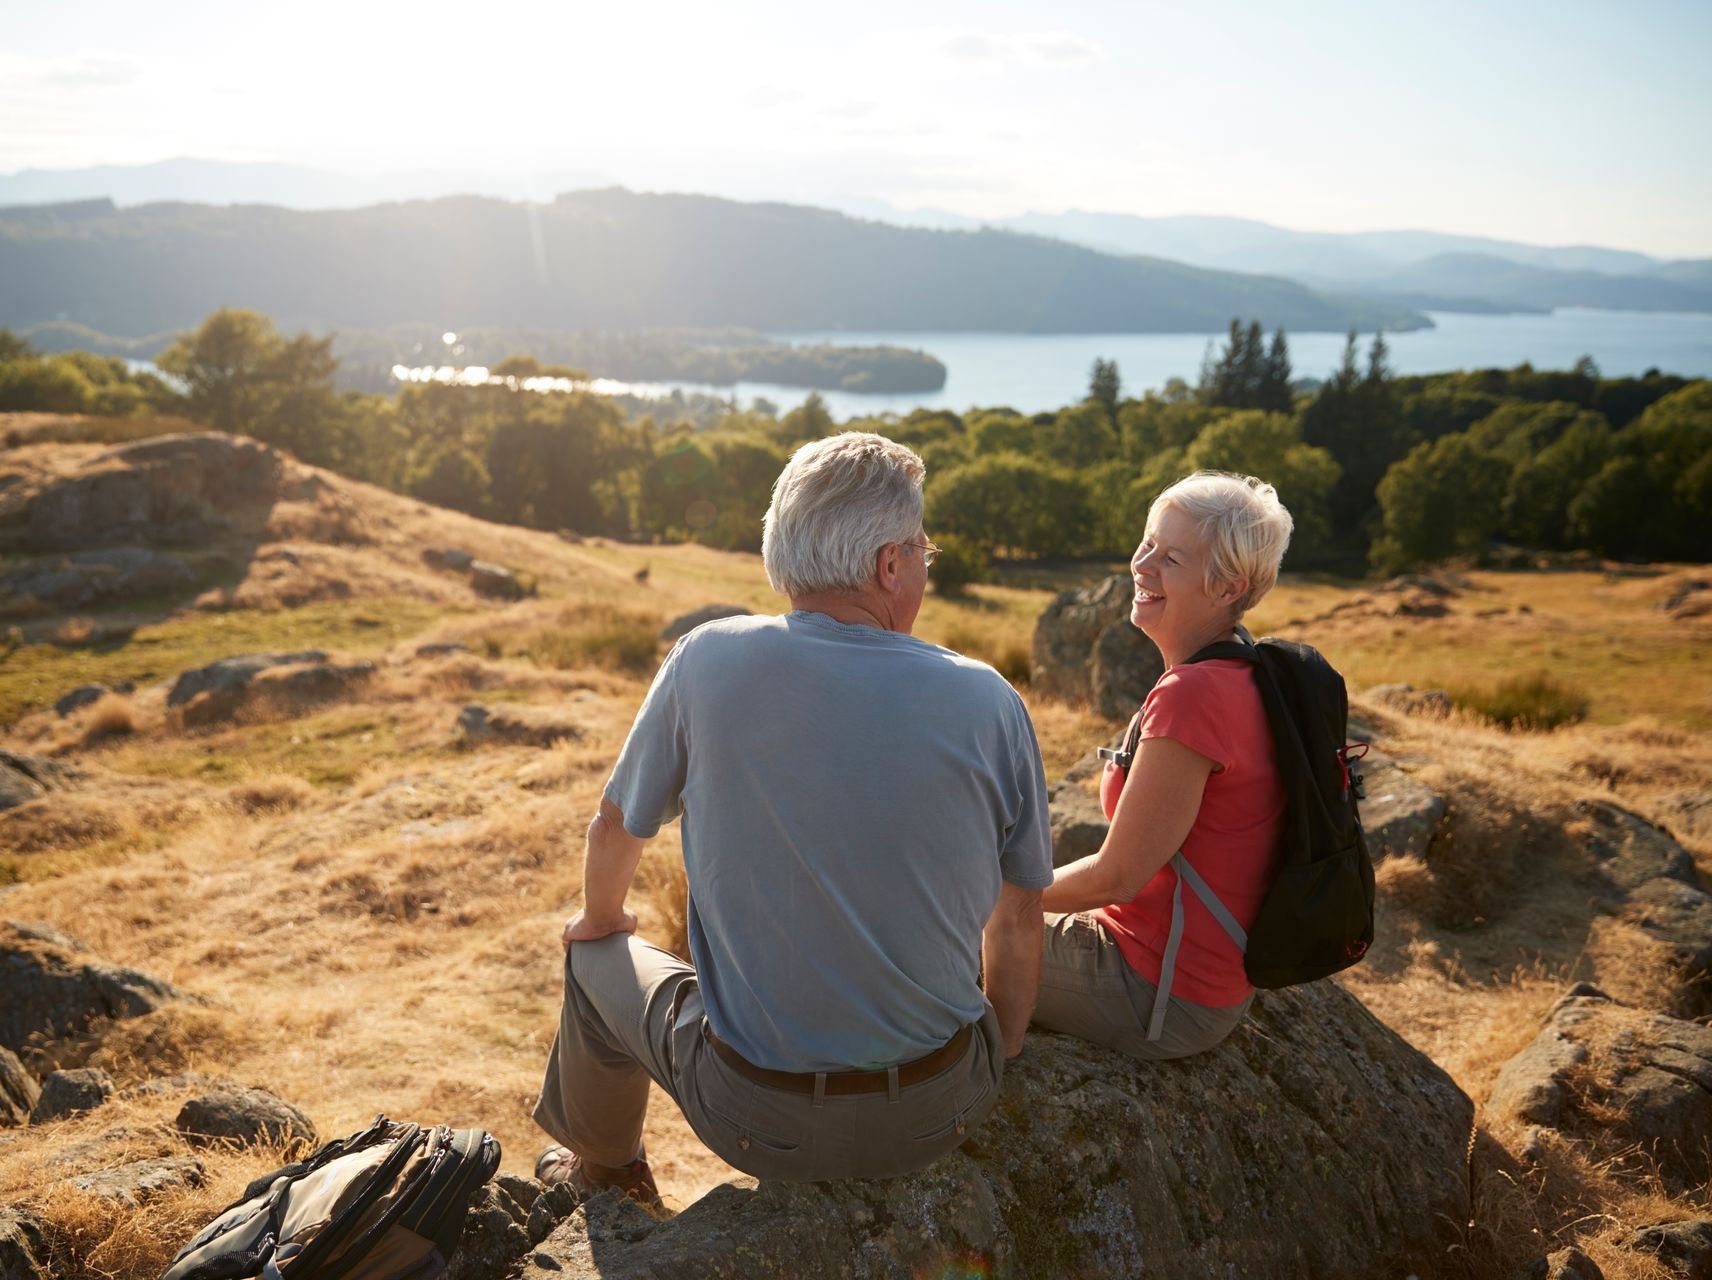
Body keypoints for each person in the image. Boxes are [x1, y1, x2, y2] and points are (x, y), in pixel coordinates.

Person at [531, 431, 1052, 1204]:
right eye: (922, 550)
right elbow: (1019, 917)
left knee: (594, 954)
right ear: (887, 565)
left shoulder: (706, 659)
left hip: (755, 1119)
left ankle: (607, 1177)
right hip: (946, 1110)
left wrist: (599, 919)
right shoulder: (989, 699)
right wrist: (999, 1055)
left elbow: (613, 830)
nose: (924, 565)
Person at [1034, 471, 1293, 1060]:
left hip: (1156, 989)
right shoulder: (1246, 671)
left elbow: (1116, 877)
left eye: (1170, 557)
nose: (1142, 565)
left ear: (1228, 586)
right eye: (1147, 543)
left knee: (922, 937)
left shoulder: (1194, 696)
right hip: (1192, 974)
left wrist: (993, 898)